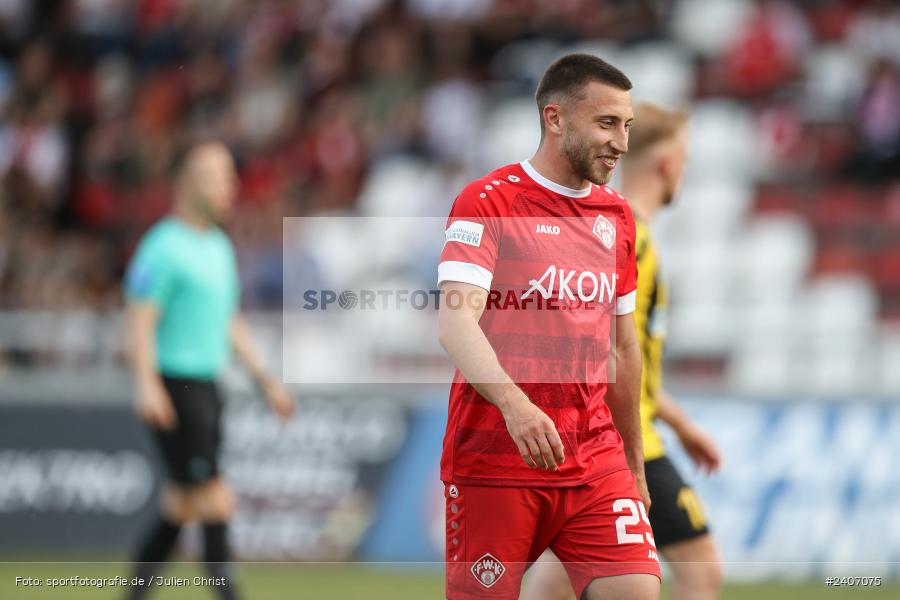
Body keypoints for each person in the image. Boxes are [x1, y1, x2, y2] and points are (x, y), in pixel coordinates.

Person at [437, 54, 660, 600]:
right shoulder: (488, 201)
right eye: (607, 123)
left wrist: (633, 460)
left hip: (594, 459)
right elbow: (455, 321)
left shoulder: (618, 217)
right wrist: (515, 405)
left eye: (626, 126)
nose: (622, 143)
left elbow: (623, 347)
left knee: (636, 591)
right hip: (496, 460)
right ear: (555, 118)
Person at [522, 104, 724, 600]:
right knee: (701, 571)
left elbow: (635, 361)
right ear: (667, 164)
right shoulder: (627, 234)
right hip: (621, 439)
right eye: (685, 158)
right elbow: (608, 349)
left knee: (562, 576)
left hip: (616, 431)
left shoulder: (619, 227)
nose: (685, 169)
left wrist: (680, 423)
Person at [123, 141, 294, 600]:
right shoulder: (161, 248)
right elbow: (139, 319)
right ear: (188, 183)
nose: (231, 187)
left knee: (181, 504)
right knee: (216, 498)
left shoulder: (218, 246)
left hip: (208, 387)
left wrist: (265, 378)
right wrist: (146, 385)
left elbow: (228, 319)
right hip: (175, 387)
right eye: (220, 177)